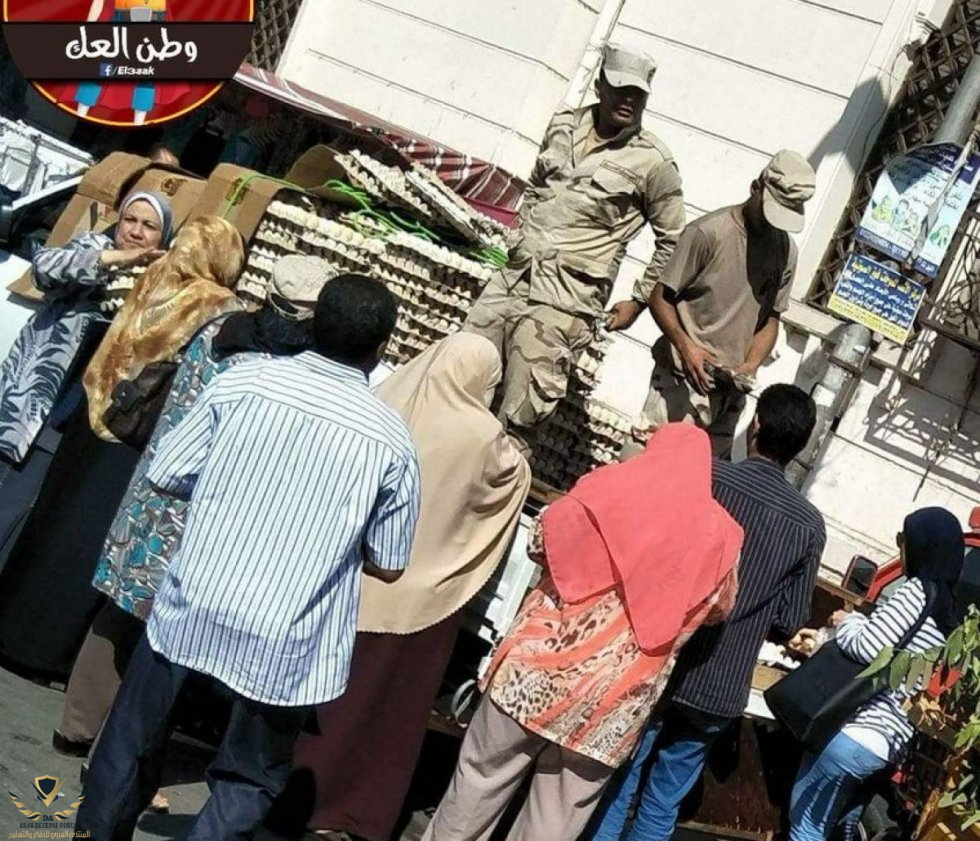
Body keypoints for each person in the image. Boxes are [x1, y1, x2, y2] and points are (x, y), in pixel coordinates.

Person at [74, 274, 422, 841]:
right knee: (248, 776)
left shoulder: (243, 382)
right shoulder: (392, 439)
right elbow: (389, 560)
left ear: (312, 324)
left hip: (195, 598)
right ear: (381, 348)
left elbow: (167, 473)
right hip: (286, 631)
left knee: (131, 737)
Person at [54, 254, 330, 759]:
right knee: (166, 641)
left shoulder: (220, 330)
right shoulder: (276, 369)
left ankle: (77, 725)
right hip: (206, 513)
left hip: (155, 495)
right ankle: (115, 754)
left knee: (122, 610)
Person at [421, 424, 743, 841]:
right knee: (553, 823)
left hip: (533, 670)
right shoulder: (721, 536)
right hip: (613, 702)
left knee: (478, 783)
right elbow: (717, 610)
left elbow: (540, 541)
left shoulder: (608, 486)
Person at [273, 332, 532, 841]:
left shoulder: (386, 399)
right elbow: (514, 478)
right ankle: (354, 813)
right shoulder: (482, 436)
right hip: (424, 598)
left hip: (351, 576)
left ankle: (289, 795)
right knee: (387, 714)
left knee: (325, 699)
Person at [0, 216, 242, 679]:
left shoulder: (151, 275)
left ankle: (10, 626)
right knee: (91, 539)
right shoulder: (217, 305)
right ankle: (46, 651)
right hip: (136, 437)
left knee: (49, 524)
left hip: (92, 418)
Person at [587, 384, 824, 841]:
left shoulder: (709, 478)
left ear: (756, 425)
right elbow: (789, 621)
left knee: (620, 781)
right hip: (723, 685)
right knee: (662, 804)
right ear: (801, 446)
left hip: (662, 658)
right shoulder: (809, 526)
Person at [463, 43, 685, 452]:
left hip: (564, 303)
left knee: (519, 421)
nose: (629, 100)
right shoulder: (563, 125)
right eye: (621, 89)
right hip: (512, 279)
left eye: (638, 94)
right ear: (600, 86)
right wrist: (518, 236)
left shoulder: (654, 162)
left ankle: (489, 491)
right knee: (459, 382)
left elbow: (673, 240)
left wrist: (638, 300)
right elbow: (536, 185)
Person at [0, 190, 172, 574]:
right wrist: (115, 260)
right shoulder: (94, 250)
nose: (136, 232)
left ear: (164, 237)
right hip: (30, 409)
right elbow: (45, 267)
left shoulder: (160, 286)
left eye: (149, 226)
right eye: (130, 220)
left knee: (22, 517)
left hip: (75, 426)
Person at [788, 508, 965, 841]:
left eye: (903, 539)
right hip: (886, 745)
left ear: (921, 547)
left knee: (806, 827)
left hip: (857, 731)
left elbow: (870, 648)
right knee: (842, 830)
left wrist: (847, 621)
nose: (901, 547)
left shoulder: (917, 591)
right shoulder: (947, 616)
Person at [638, 151, 816, 458]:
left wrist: (751, 365)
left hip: (730, 392)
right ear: (755, 188)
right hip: (682, 381)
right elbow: (660, 298)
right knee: (649, 467)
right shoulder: (709, 232)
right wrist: (687, 347)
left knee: (703, 480)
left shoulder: (785, 251)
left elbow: (771, 317)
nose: (774, 224)